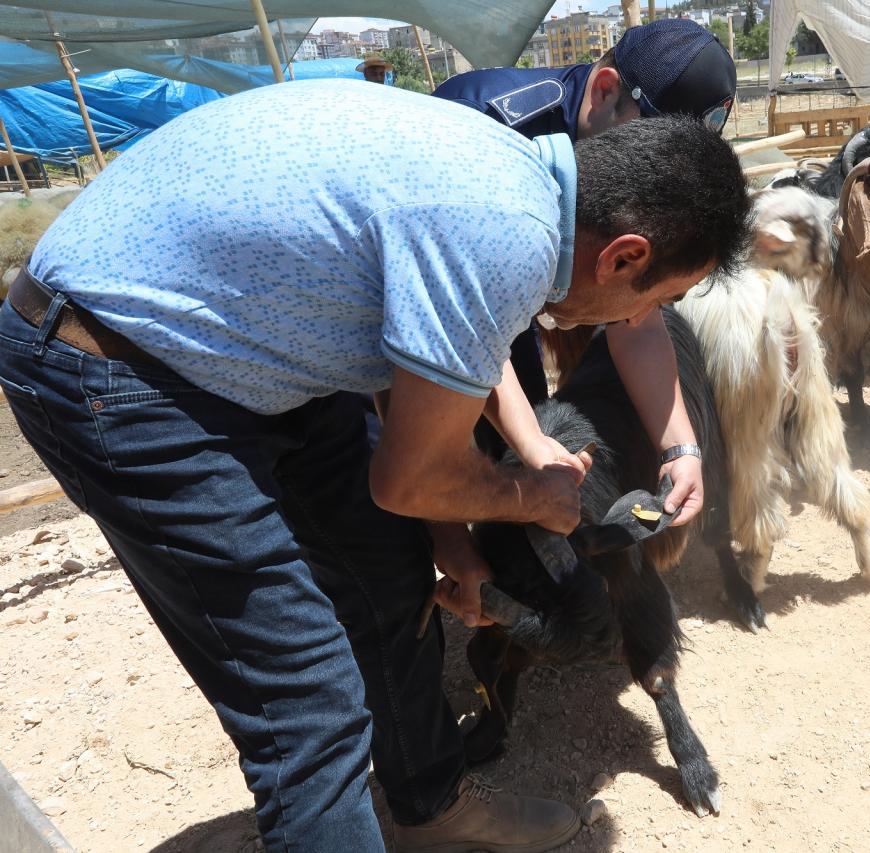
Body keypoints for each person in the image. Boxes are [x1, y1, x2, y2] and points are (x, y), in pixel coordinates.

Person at [0, 79, 751, 852]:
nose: (634, 321)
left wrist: (465, 538)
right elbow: (408, 478)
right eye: (649, 300)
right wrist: (532, 495)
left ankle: (431, 809)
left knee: (390, 577)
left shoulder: (520, 183)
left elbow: (444, 354)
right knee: (308, 702)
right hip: (117, 361)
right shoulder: (503, 233)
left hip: (251, 347)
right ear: (624, 255)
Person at [434, 18, 736, 528]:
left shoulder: (639, 170)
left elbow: (635, 318)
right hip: (389, 331)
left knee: (525, 455)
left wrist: (680, 447)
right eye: (659, 148)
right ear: (605, 90)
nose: (664, 178)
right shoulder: (483, 126)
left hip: (503, 323)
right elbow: (452, 316)